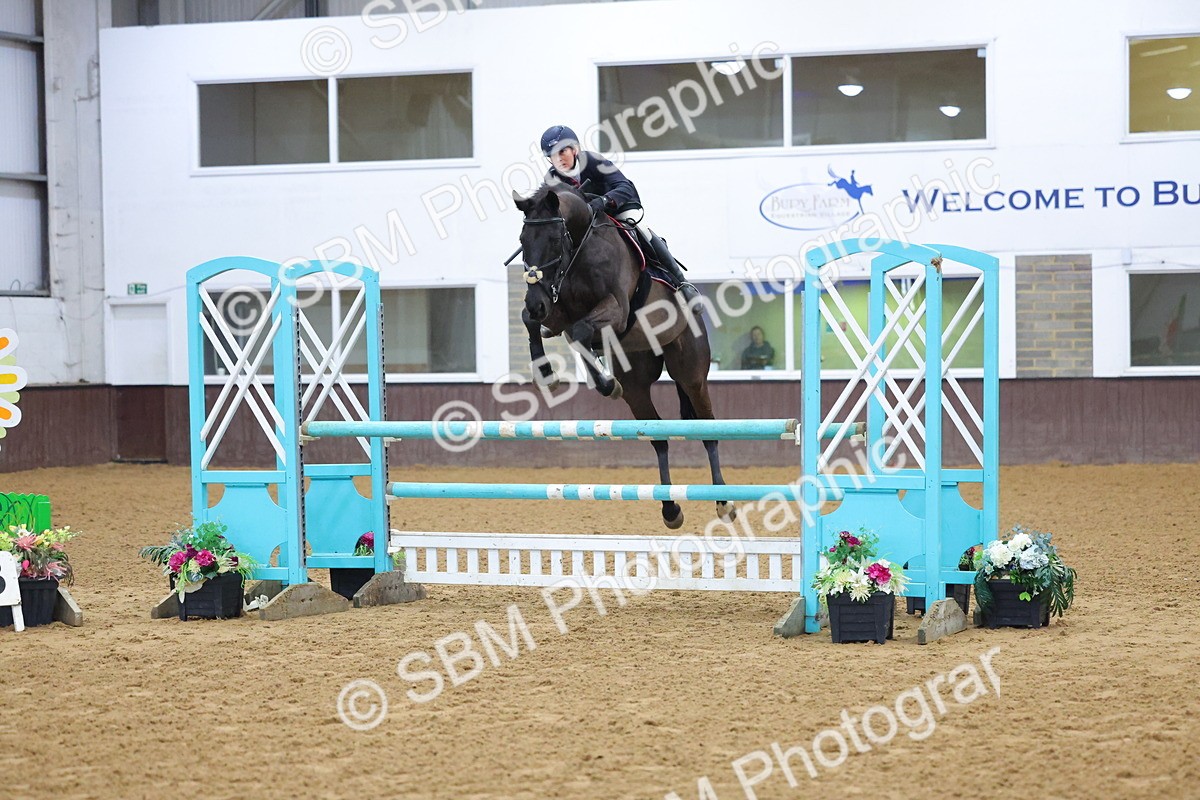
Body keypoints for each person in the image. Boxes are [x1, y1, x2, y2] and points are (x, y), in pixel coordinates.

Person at [538, 124, 698, 303]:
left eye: (562, 152)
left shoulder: (593, 161)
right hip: (586, 222)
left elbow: (624, 186)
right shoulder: (551, 180)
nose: (558, 159)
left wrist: (604, 201)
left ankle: (681, 282)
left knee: (642, 230)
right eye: (552, 156)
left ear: (575, 149)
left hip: (617, 209)